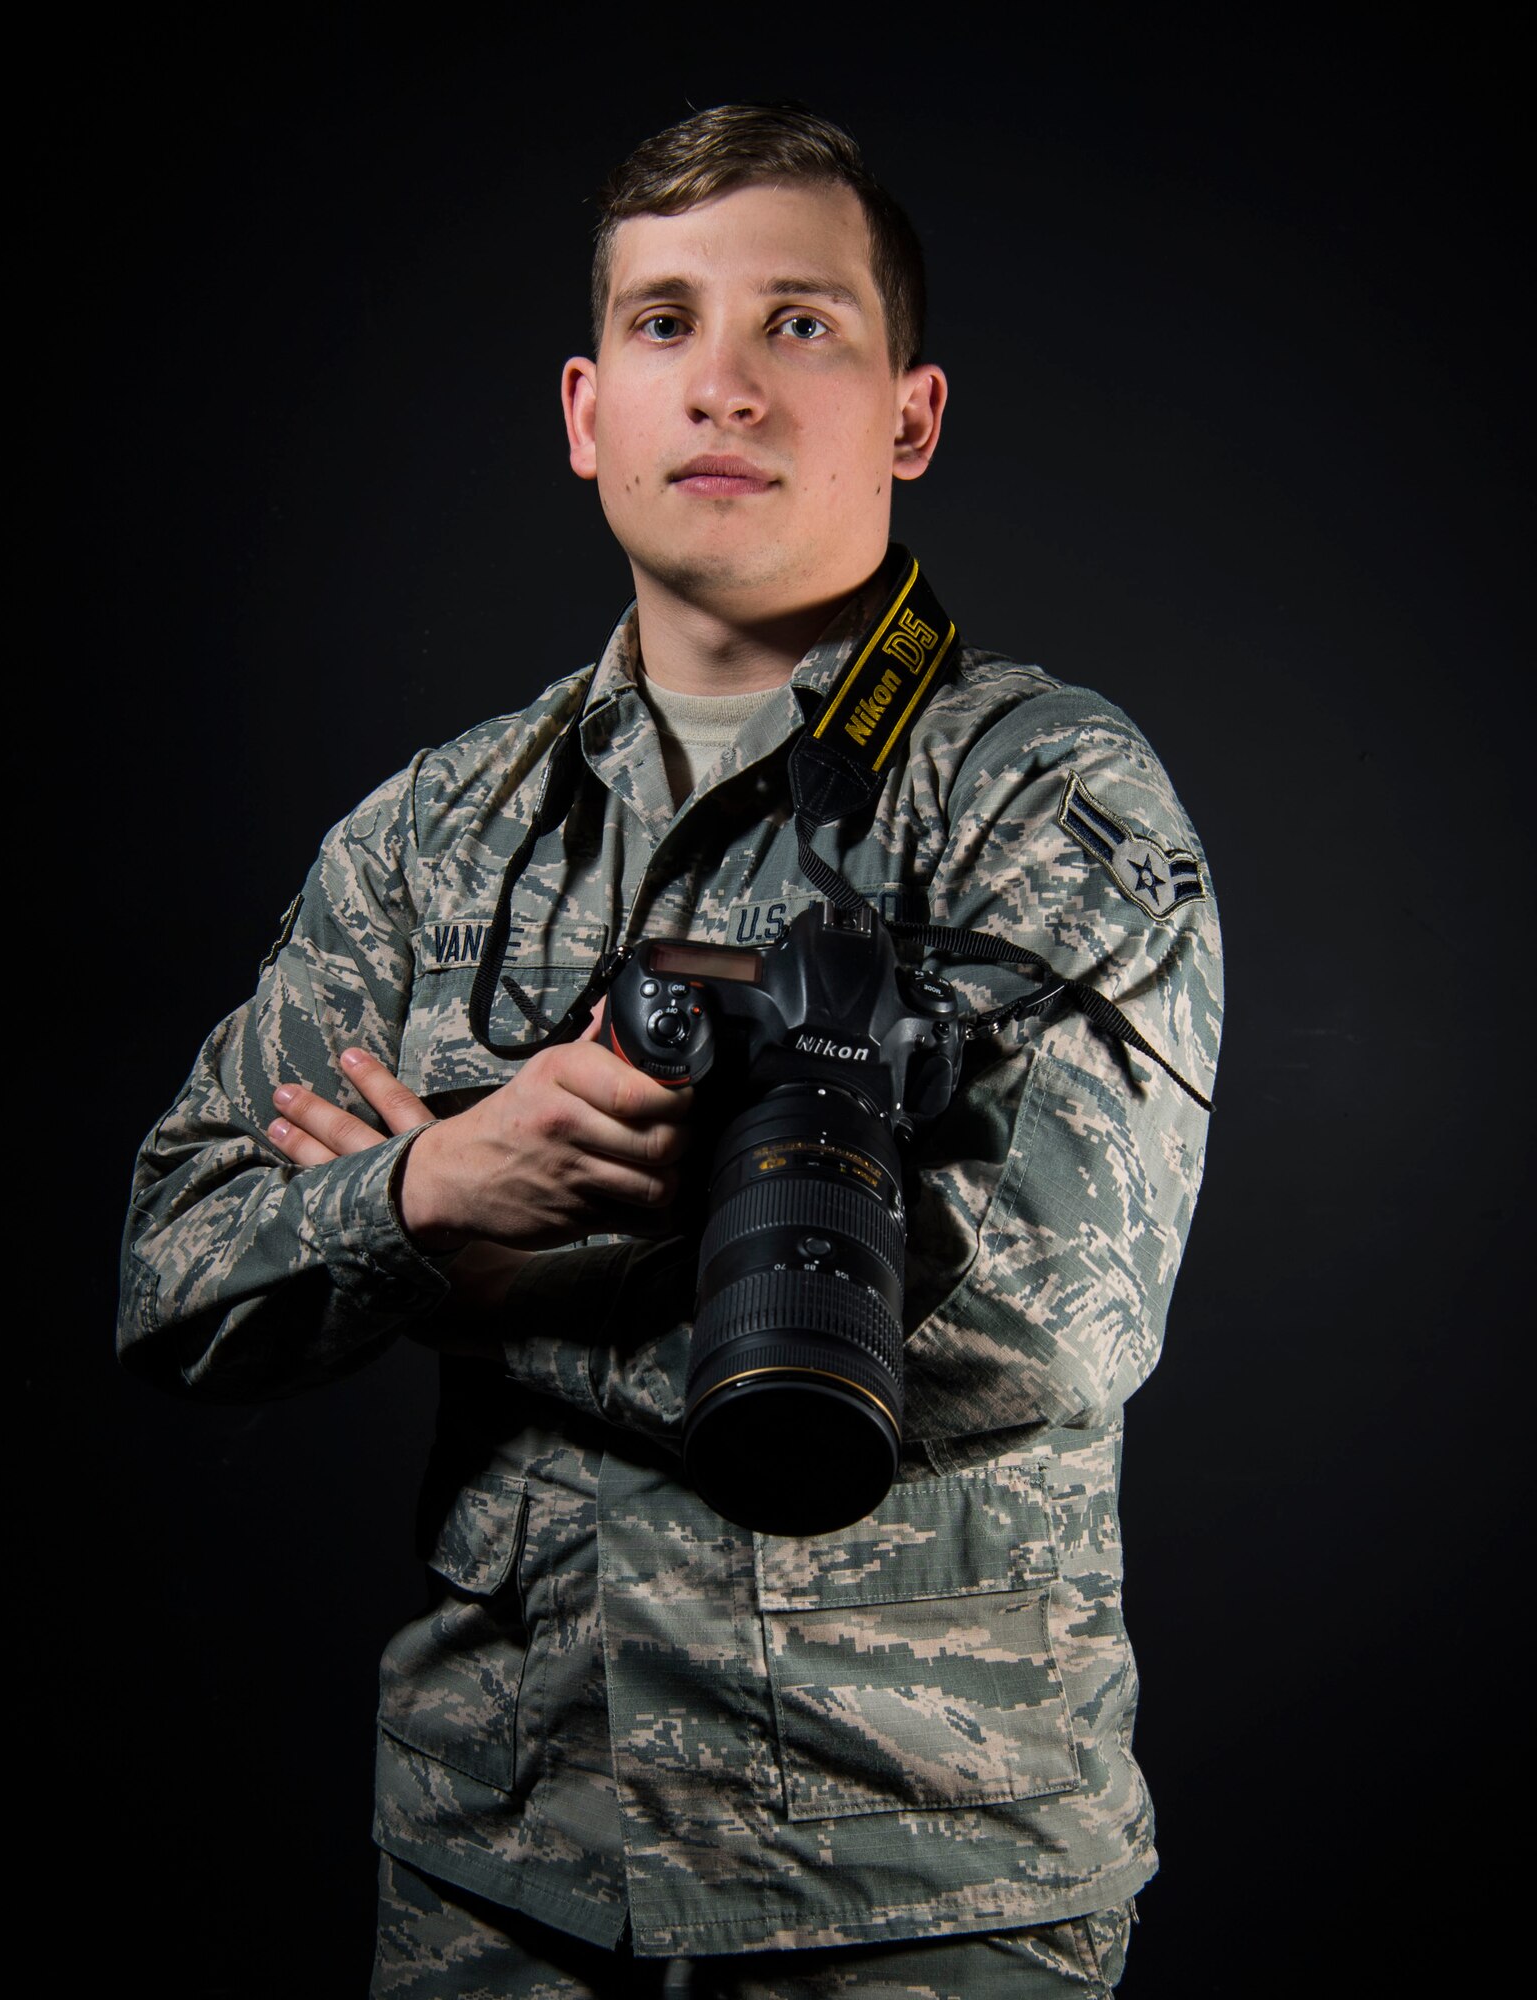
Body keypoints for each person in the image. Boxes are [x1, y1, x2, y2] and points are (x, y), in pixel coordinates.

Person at [118, 104, 1222, 1997]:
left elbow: (1050, 1322)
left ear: (909, 416)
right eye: (660, 324)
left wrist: (457, 1258)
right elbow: (172, 1270)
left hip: (926, 1881)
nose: (719, 383)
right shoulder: (434, 830)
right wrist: (439, 1183)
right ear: (583, 412)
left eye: (800, 323)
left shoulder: (1052, 800)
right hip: (498, 1871)